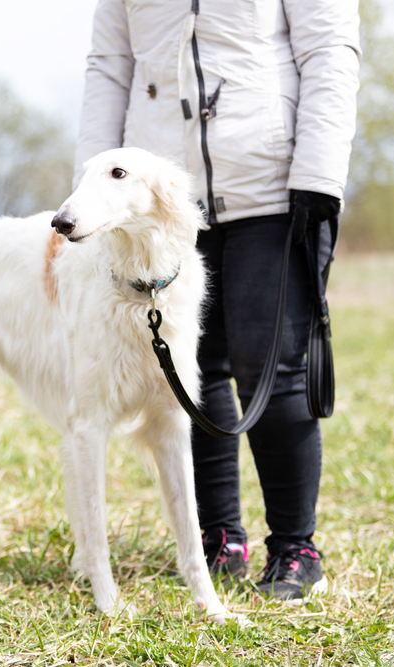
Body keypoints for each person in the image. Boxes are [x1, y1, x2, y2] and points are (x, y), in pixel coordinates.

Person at [74, 0, 360, 600]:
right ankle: (218, 537)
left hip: (272, 190)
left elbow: (329, 49)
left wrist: (319, 173)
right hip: (163, 206)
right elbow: (109, 68)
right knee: (191, 376)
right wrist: (94, 195)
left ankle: (295, 548)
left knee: (272, 370)